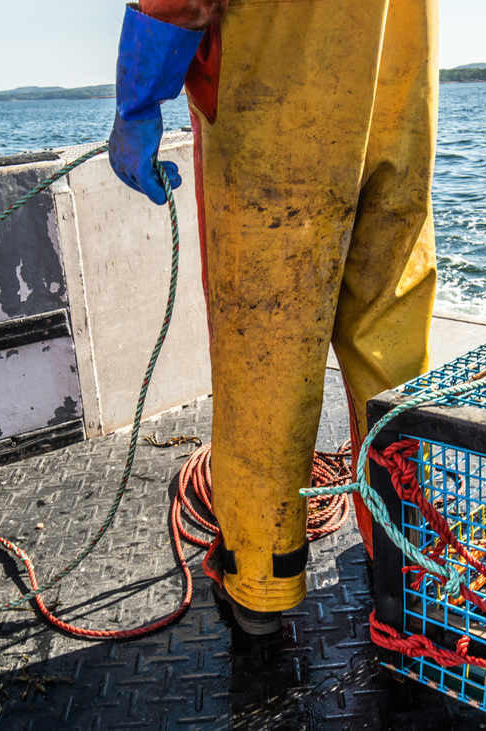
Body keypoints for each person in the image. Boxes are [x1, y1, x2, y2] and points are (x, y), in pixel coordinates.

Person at [110, 0, 437, 635]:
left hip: (276, 101)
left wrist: (137, 101)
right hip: (398, 99)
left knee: (267, 356)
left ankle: (262, 581)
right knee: (390, 345)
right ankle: (408, 564)